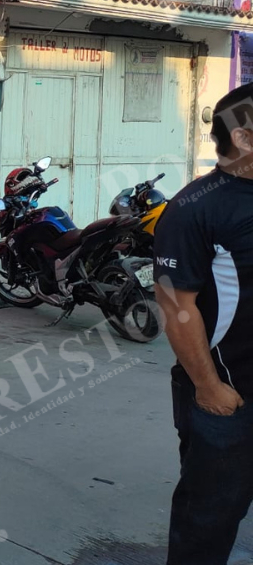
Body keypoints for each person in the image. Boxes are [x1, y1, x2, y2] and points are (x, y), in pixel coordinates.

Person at [156, 82, 253, 565]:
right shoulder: (196, 207)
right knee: (208, 523)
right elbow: (176, 305)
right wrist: (209, 387)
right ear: (246, 138)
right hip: (229, 401)